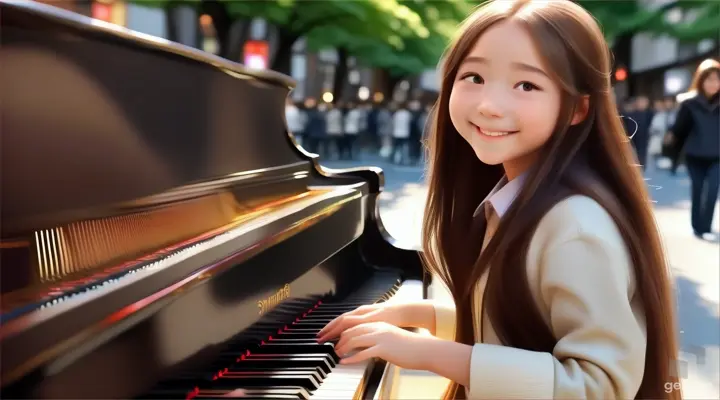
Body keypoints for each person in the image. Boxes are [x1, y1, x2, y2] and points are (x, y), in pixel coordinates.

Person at [317, 1, 679, 399]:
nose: (489, 105)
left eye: (526, 85)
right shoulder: (518, 199)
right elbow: (522, 328)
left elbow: (602, 386)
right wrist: (416, 315)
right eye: (473, 76)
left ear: (578, 108)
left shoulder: (575, 226)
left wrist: (429, 353)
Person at [665, 58, 720, 239]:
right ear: (701, 80)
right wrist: (671, 138)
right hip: (695, 155)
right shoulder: (690, 104)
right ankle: (697, 227)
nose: (713, 84)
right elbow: (680, 129)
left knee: (712, 191)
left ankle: (706, 228)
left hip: (717, 156)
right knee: (697, 190)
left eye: (716, 79)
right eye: (709, 79)